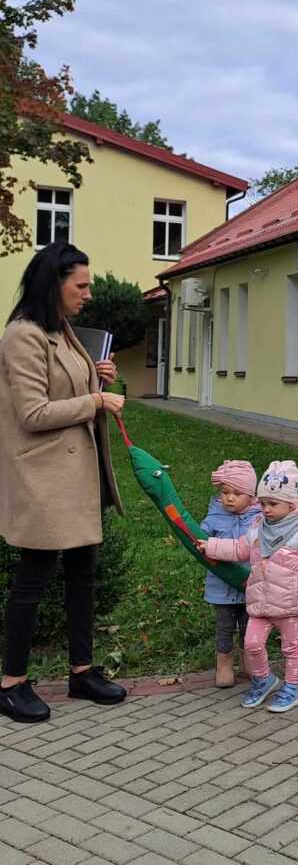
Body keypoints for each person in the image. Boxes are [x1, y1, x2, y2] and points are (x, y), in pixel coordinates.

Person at [0, 242, 126, 724]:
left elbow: (66, 390)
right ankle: (11, 683)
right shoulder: (23, 336)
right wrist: (95, 403)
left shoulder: (62, 330)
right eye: (82, 285)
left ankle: (82, 672)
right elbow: (33, 413)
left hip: (74, 479)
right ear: (54, 283)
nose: (89, 294)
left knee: (82, 576)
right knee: (31, 583)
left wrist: (97, 380)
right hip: (44, 480)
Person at [199, 461, 298, 713]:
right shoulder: (258, 527)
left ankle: (292, 688)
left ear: (290, 504)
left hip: (291, 605)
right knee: (251, 644)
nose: (266, 509)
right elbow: (240, 548)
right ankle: (264, 680)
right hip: (261, 602)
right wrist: (211, 546)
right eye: (262, 503)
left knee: (291, 648)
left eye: (273, 504)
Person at [200, 460, 261, 687]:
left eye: (237, 493)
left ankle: (248, 662)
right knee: (225, 627)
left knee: (249, 626)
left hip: (249, 584)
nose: (229, 498)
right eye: (225, 492)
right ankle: (224, 665)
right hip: (222, 586)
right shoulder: (214, 517)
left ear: (251, 496)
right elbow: (199, 538)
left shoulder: (258, 519)